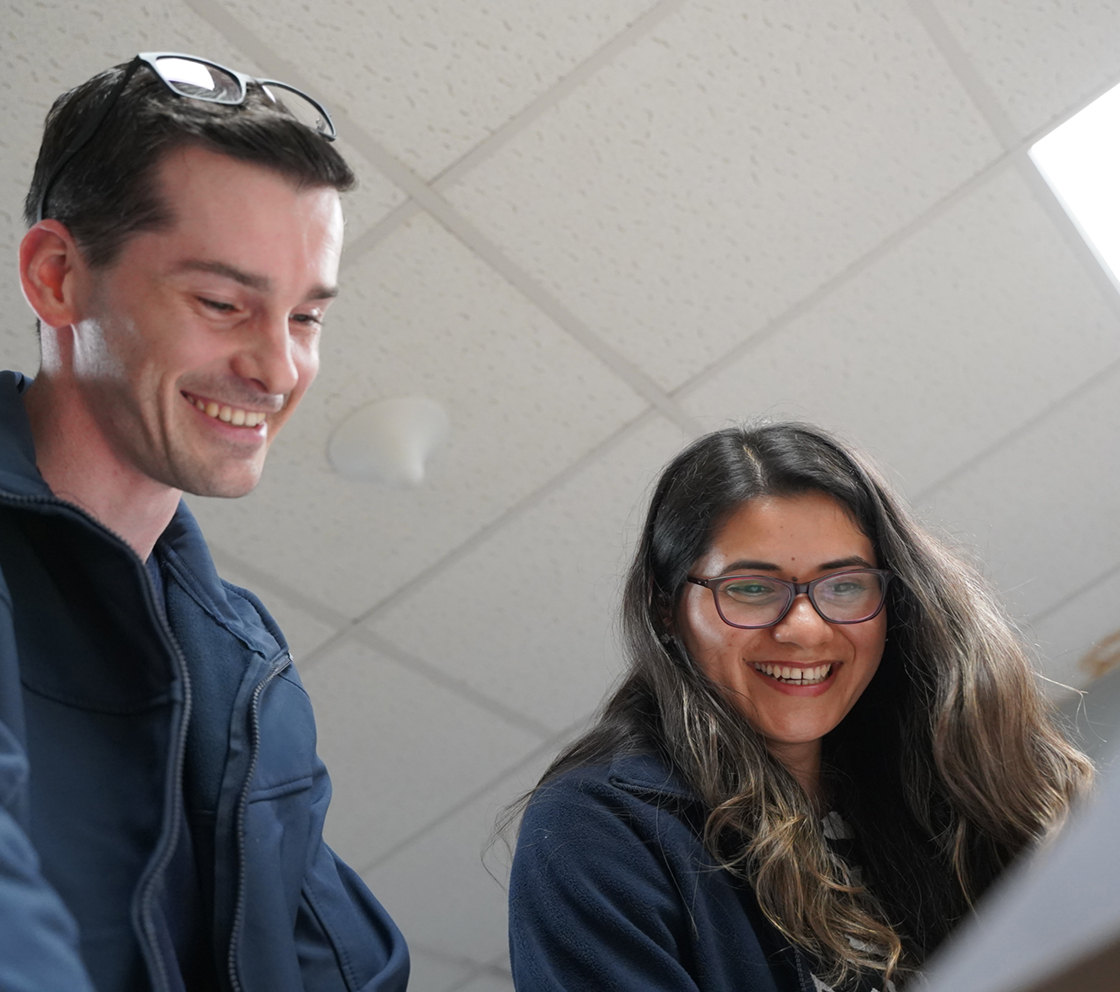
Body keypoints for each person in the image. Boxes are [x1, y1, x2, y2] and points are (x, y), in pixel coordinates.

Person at [0, 54, 408, 990]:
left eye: (304, 318)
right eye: (224, 304)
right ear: (58, 277)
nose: (276, 370)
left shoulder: (247, 671)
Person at [507, 423, 1091, 992]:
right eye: (752, 589)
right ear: (667, 610)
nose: (806, 629)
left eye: (844, 586)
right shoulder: (599, 827)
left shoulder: (929, 785)